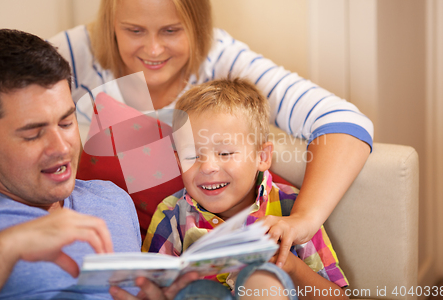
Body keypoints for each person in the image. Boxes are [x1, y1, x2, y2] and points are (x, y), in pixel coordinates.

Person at [48, 0, 373, 267]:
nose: (154, 49)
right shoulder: (79, 51)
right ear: (110, 25)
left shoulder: (220, 56)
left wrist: (303, 218)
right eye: (134, 30)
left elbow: (344, 120)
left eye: (171, 30)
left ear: (197, 24)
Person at [0, 29, 198, 300]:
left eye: (66, 123)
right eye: (33, 133)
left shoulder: (113, 200)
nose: (62, 148)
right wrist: (8, 246)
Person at [141, 79, 349, 300]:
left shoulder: (295, 209)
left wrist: (290, 266)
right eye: (192, 156)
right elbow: (148, 289)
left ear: (262, 157)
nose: (208, 167)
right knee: (198, 292)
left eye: (225, 153)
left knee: (263, 277)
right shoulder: (171, 213)